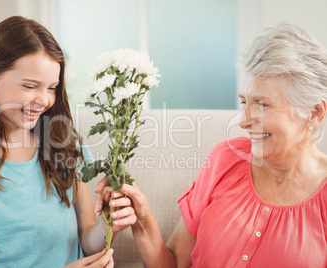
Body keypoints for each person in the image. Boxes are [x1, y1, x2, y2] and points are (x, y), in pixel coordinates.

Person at [96, 23, 327, 267]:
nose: (245, 121)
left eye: (262, 104)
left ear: (314, 112)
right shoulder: (224, 159)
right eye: (244, 102)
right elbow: (173, 263)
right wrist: (142, 219)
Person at [0, 16, 136, 268]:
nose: (44, 100)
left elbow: (87, 238)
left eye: (52, 88)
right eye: (30, 86)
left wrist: (109, 225)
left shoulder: (65, 144)